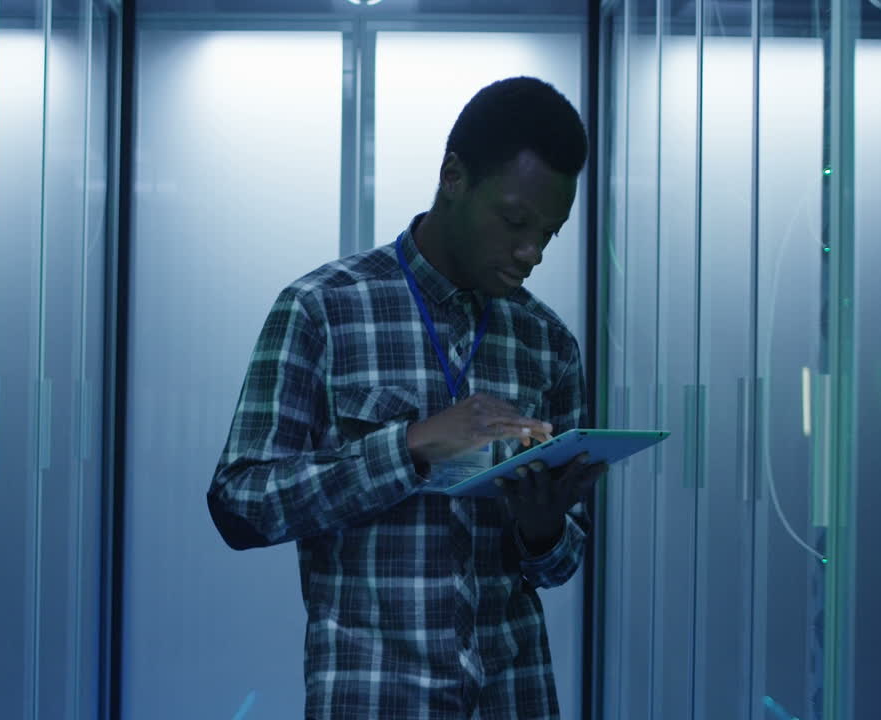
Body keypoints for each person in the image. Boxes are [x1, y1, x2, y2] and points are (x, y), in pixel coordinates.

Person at [207, 76, 608, 719]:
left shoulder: (548, 343)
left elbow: (560, 564)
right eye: (514, 221)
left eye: (549, 233)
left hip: (516, 695)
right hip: (374, 700)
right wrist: (411, 445)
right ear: (454, 177)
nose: (531, 251)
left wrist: (542, 527)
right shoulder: (321, 310)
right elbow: (238, 507)